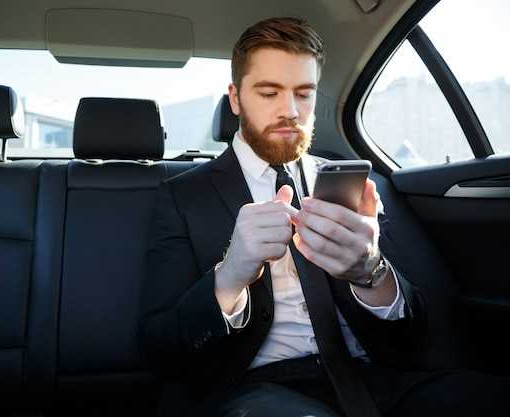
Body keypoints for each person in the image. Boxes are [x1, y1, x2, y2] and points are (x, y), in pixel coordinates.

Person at [138, 16, 510, 417]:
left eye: (304, 93)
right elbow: (161, 348)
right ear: (236, 98)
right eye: (269, 93)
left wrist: (369, 272)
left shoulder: (356, 184)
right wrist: (230, 276)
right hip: (253, 390)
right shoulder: (182, 195)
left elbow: (415, 334)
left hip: (374, 380)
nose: (290, 111)